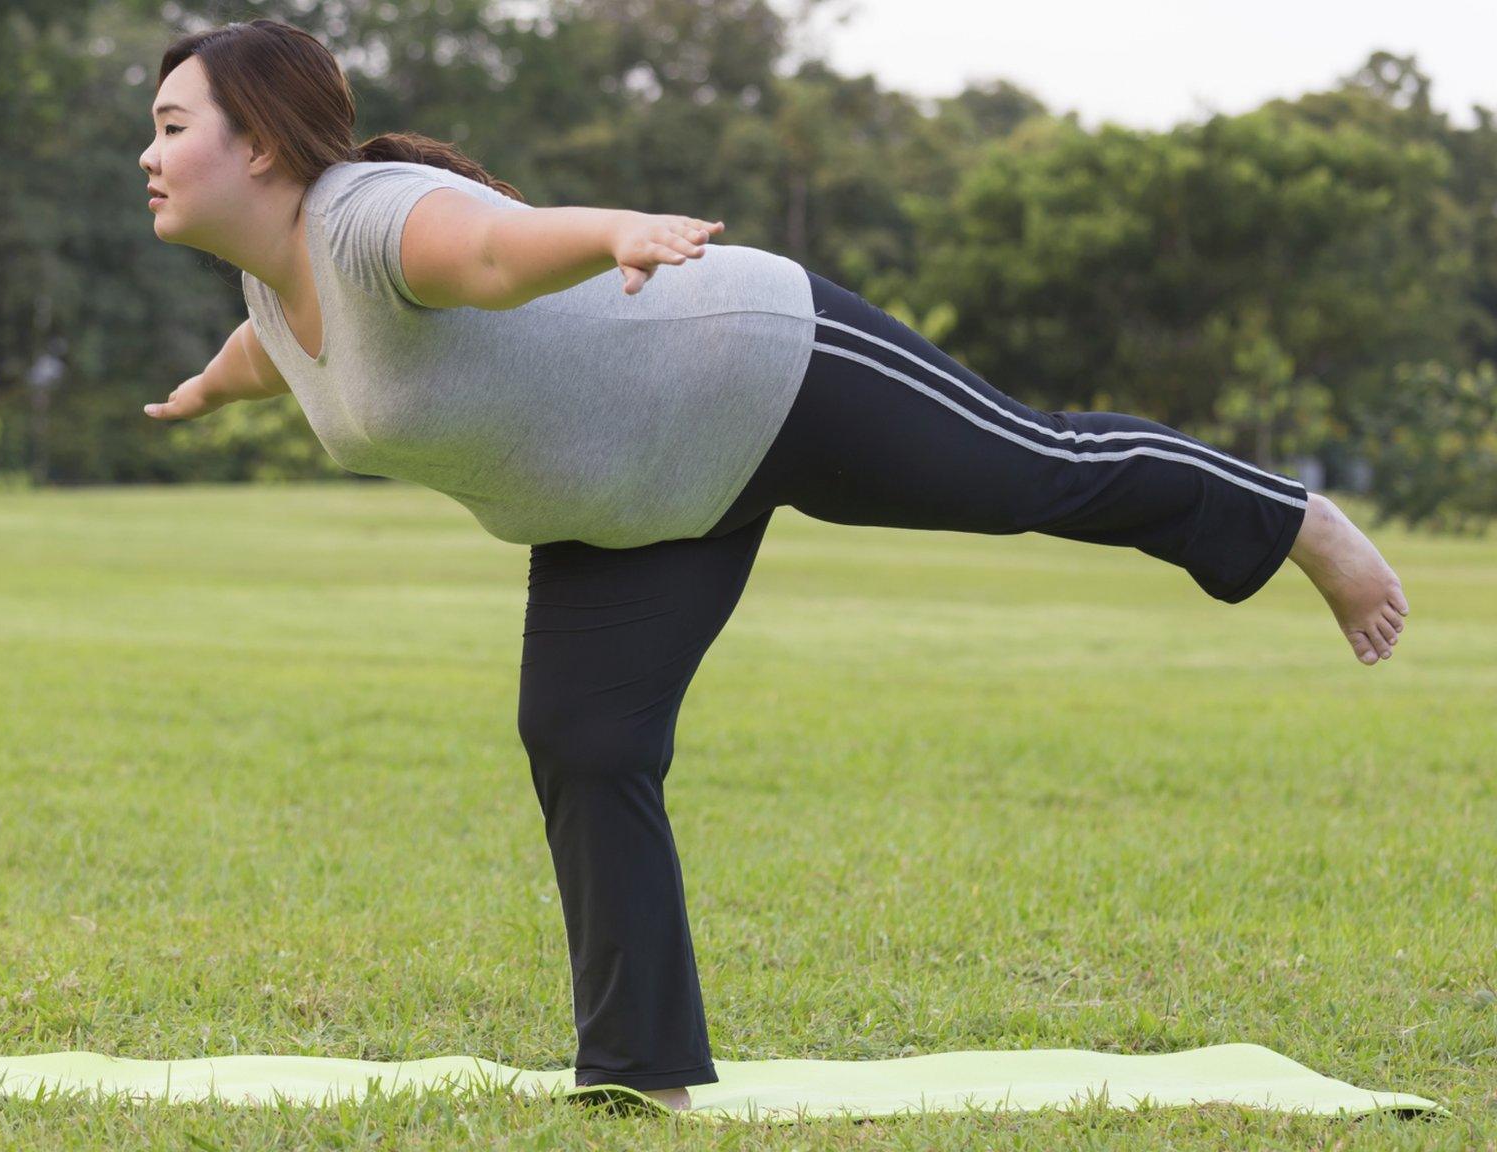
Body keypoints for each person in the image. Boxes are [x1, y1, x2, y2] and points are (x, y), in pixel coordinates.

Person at [136, 19, 1411, 1111]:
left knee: (1029, 469)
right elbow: (283, 359)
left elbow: (484, 250)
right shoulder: (272, 296)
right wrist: (206, 388)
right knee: (582, 737)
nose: (146, 153)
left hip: (757, 362)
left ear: (256, 143)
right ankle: (638, 1073)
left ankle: (1288, 519)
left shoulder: (367, 218)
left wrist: (615, 229)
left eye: (169, 122)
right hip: (636, 511)